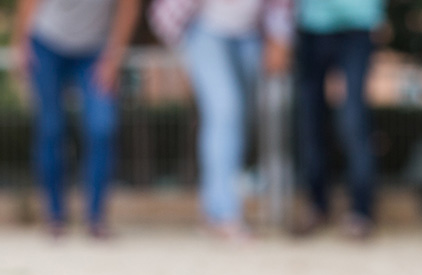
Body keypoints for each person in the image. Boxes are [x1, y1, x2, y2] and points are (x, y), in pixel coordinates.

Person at [152, 0, 292, 240]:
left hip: (250, 33)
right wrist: (182, 47)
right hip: (206, 30)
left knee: (239, 120)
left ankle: (212, 209)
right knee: (225, 111)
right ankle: (225, 213)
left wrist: (280, 37)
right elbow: (166, 14)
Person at [12, 0, 140, 238]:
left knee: (102, 127)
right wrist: (21, 42)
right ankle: (54, 216)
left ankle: (96, 218)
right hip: (47, 44)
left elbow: (129, 7)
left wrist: (114, 57)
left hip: (96, 50)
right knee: (51, 128)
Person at [293, 0, 385, 239]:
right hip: (311, 23)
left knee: (353, 119)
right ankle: (317, 205)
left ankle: (361, 210)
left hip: (359, 21)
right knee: (310, 118)